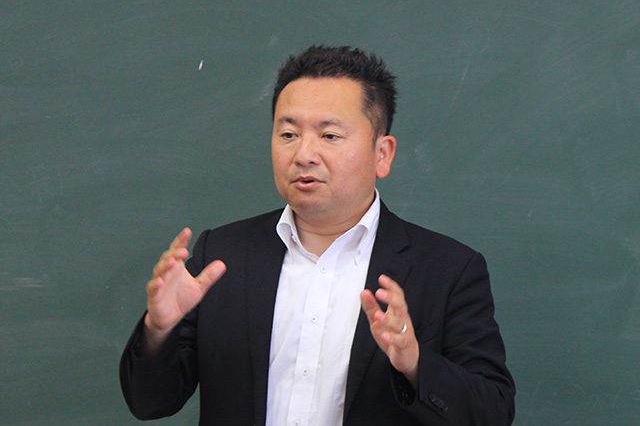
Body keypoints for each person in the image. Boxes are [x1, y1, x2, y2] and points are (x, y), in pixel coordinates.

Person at [120, 45, 515, 425]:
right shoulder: (222, 256)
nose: (304, 155)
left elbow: (492, 413)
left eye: (329, 136)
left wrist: (414, 363)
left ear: (382, 154)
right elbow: (150, 404)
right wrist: (158, 330)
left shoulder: (448, 269)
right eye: (288, 134)